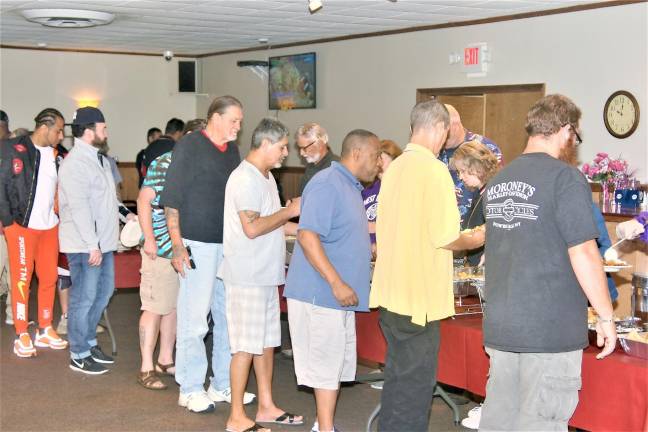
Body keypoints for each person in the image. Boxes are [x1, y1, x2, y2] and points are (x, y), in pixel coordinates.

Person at [480, 94, 617, 431]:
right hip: (548, 332)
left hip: (501, 327)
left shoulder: (497, 182)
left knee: (500, 423)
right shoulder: (565, 179)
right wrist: (606, 317)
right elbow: (584, 252)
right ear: (565, 129)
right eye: (576, 135)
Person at [370, 100, 485, 432]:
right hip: (417, 301)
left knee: (397, 385)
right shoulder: (434, 170)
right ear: (440, 129)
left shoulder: (395, 169)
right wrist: (477, 237)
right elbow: (447, 236)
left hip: (391, 296)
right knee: (414, 395)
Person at [160, 96, 255, 413]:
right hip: (196, 244)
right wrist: (177, 244)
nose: (238, 128)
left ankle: (222, 384)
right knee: (194, 319)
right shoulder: (189, 146)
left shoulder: (233, 152)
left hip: (226, 246)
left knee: (228, 320)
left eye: (240, 122)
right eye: (234, 121)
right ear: (215, 117)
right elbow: (171, 198)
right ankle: (189, 388)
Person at [284, 129, 382, 432]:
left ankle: (324, 426)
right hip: (321, 294)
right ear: (357, 153)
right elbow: (307, 235)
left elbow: (345, 233)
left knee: (334, 367)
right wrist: (337, 283)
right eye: (376, 155)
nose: (379, 163)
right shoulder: (327, 183)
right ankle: (325, 428)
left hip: (335, 297)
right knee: (325, 368)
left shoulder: (350, 186)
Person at [218, 118, 303, 432]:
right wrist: (290, 210)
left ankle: (265, 406)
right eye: (282, 148)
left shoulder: (265, 176)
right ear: (265, 144)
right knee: (245, 346)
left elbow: (276, 223)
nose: (285, 154)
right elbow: (253, 228)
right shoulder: (245, 179)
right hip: (247, 275)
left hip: (266, 274)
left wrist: (308, 231)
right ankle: (236, 417)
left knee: (266, 343)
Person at [59, 106, 134, 375]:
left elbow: (108, 201)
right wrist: (92, 245)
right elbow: (79, 208)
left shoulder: (99, 160)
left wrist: (128, 217)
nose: (106, 132)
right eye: (103, 128)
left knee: (103, 294)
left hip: (103, 243)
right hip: (84, 245)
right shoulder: (74, 163)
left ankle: (89, 343)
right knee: (84, 298)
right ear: (89, 131)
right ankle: (78, 353)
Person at [0, 108, 69, 357]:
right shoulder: (12, 149)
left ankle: (45, 327)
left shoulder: (57, 155)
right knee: (21, 281)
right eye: (59, 130)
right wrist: (8, 224)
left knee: (49, 278)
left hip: (49, 227)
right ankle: (21, 333)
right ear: (44, 127)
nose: (61, 136)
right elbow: (2, 187)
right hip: (22, 227)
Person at [135, 149, 180, 390]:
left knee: (171, 307)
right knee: (153, 308)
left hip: (178, 251)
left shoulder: (195, 163)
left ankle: (165, 360)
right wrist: (149, 238)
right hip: (159, 249)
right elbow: (144, 199)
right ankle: (146, 367)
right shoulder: (165, 163)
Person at [438, 104, 502, 222]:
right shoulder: (435, 152)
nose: (439, 135)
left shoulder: (485, 147)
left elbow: (497, 192)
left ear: (455, 125)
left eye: (443, 129)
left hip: (476, 226)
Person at [448, 140, 499, 266]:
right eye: (459, 172)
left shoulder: (494, 195)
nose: (460, 177)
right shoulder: (479, 194)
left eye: (464, 171)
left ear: (478, 166)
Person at [362, 139, 402, 247]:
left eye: (382, 160)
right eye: (376, 160)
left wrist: (376, 227)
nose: (379, 164)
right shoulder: (367, 190)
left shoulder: (403, 190)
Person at [295, 123, 340, 195]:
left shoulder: (336, 168)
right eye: (299, 148)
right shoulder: (312, 164)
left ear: (320, 144)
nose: (301, 153)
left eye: (304, 148)